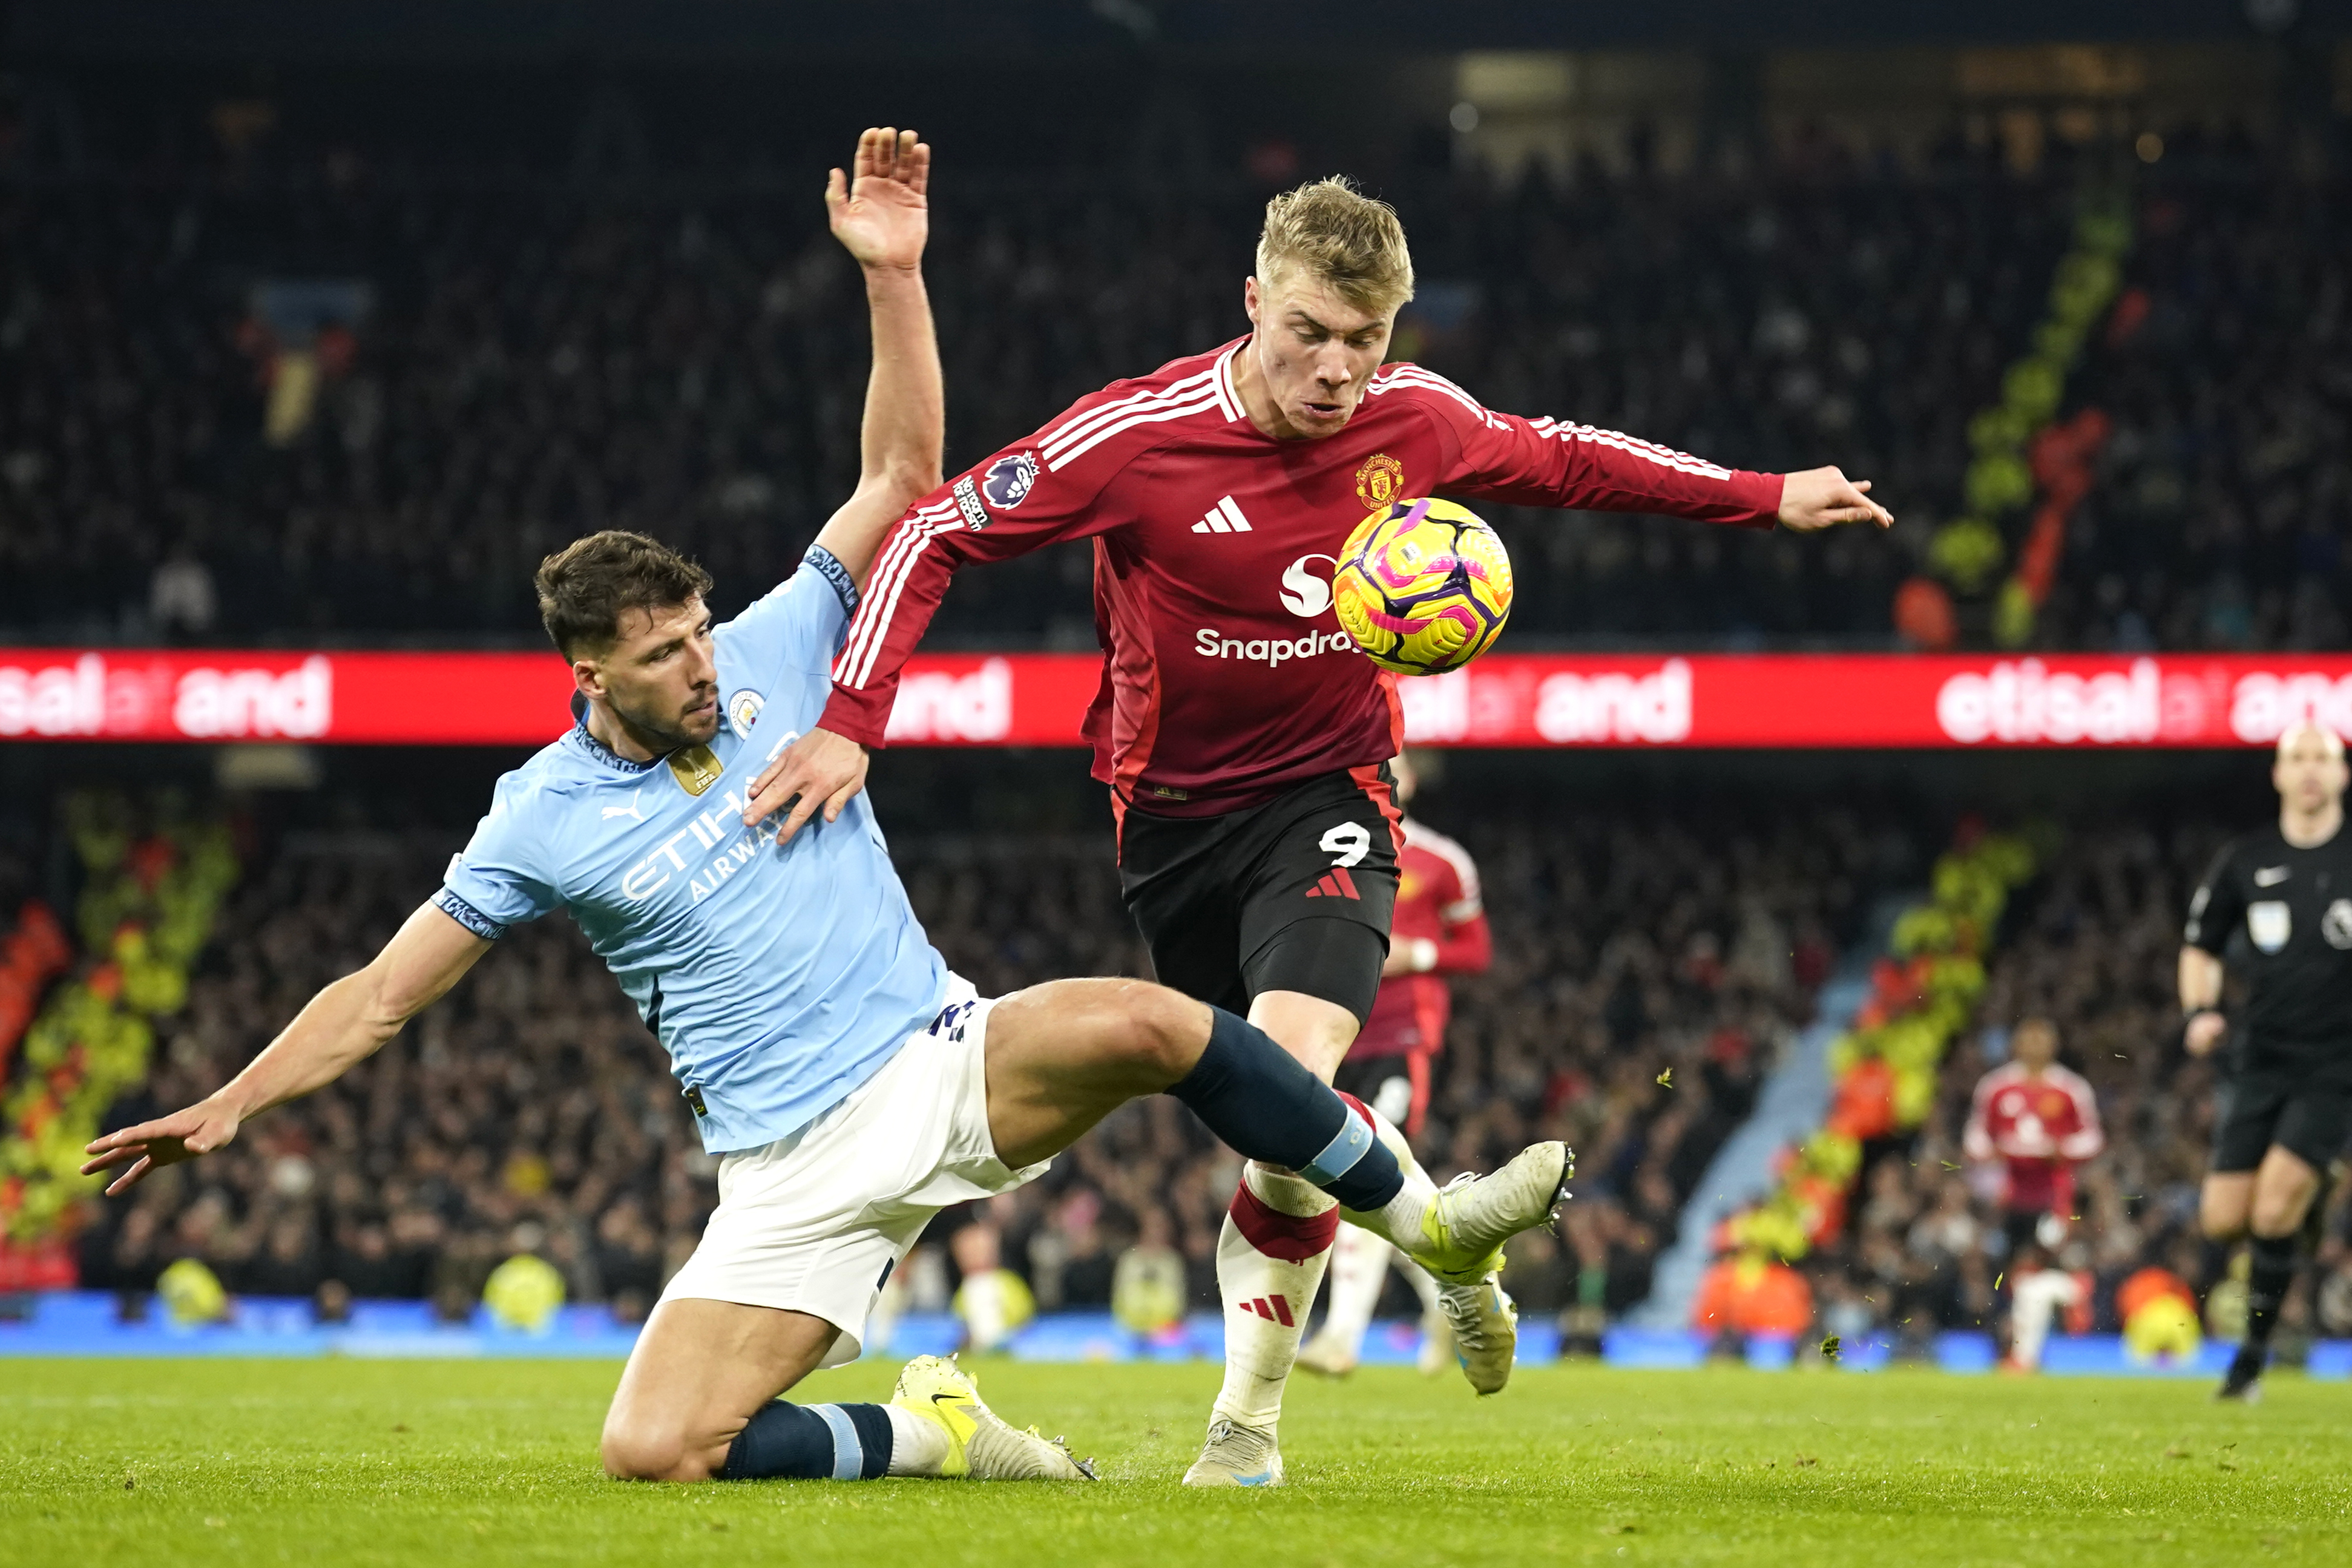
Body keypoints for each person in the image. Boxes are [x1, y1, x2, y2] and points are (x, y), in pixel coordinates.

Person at [82, 131, 1568, 1490]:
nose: (702, 662)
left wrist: (897, 280)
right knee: (657, 1449)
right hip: (783, 1162)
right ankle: (930, 1434)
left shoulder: (781, 651)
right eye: (663, 654)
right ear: (588, 670)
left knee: (1158, 1025)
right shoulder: (536, 816)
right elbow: (383, 994)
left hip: (935, 1061)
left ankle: (1431, 1231)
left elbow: (904, 483)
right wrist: (231, 1103)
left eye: (701, 629)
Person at [743, 174, 1891, 1485]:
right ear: (1250, 303)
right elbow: (936, 527)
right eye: (1308, 332)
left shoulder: (1418, 420)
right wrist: (851, 719)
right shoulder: (1138, 436)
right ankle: (1444, 1236)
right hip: (1168, 825)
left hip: (1328, 792)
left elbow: (1569, 456)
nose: (1339, 368)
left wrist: (1761, 492)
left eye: (1365, 337)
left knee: (1297, 1073)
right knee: (1279, 1139)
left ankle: (1244, 1430)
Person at [1298, 749, 1491, 1382]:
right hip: (1331, 1031)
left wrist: (1418, 952)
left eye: (1396, 765)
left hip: (1401, 1034)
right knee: (1383, 1187)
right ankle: (1457, 1280)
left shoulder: (1441, 861)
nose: (1385, 773)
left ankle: (1341, 1337)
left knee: (1358, 1170)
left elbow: (1476, 949)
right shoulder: (1323, 848)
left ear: (1412, 779)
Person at [2183, 720, 2352, 1401]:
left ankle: (2248, 1362)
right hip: (2260, 1056)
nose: (2310, 769)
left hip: (2337, 1062)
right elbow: (2200, 943)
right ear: (2278, 775)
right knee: (2224, 1219)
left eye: (2324, 758)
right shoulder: (2244, 860)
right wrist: (2200, 1011)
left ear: (2342, 774)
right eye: (2297, 758)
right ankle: (2312, 1197)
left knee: (2273, 1211)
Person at [1960, 1015, 2101, 1371]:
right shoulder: (1995, 1087)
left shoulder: (2071, 1089)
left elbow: (2092, 1139)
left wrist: (2060, 1150)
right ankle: (2012, 1347)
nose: (2036, 1045)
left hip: (2053, 1196)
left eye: (2043, 1038)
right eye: (2029, 1038)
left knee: (2033, 1270)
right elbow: (1975, 1138)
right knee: (2004, 1275)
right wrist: (1992, 1153)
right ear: (2017, 1044)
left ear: (2054, 1045)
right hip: (2006, 1198)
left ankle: (2029, 1349)